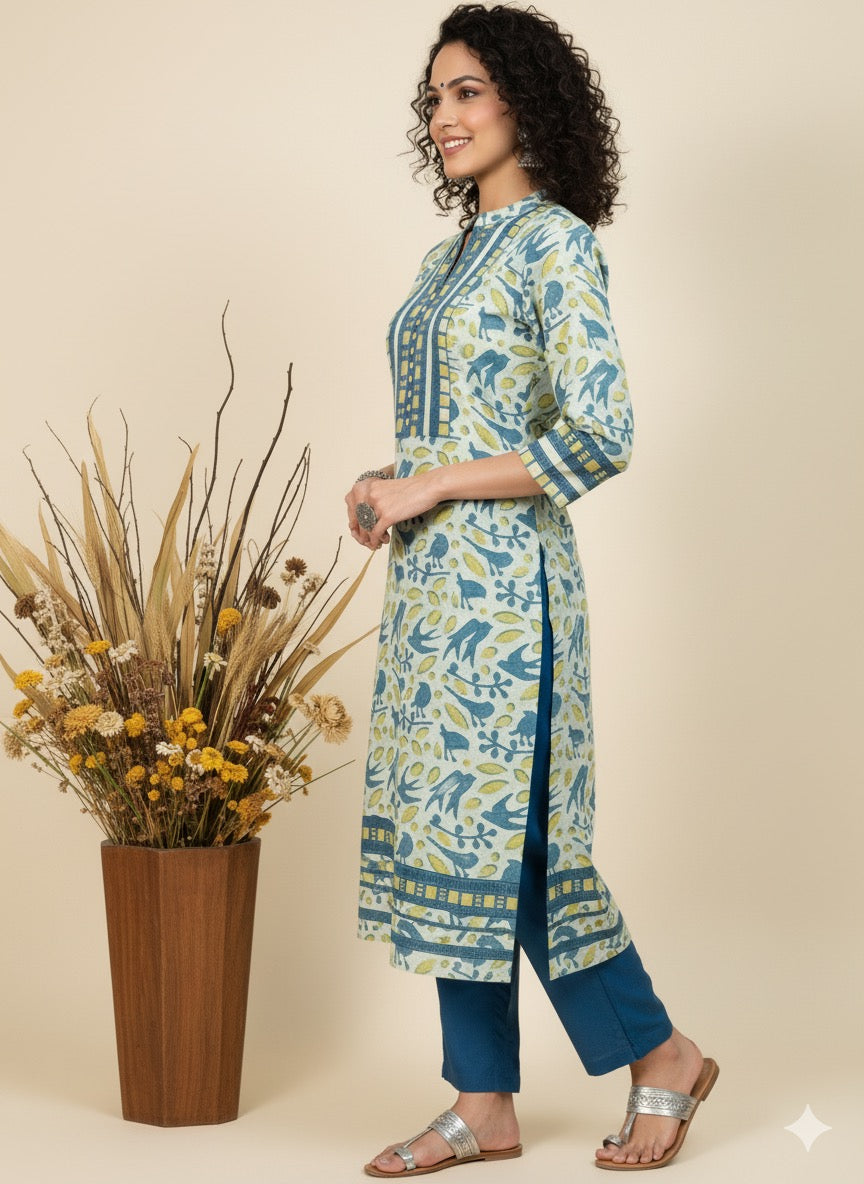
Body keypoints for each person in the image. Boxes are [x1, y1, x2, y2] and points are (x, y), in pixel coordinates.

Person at [345, 4, 717, 1175]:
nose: (444, 116)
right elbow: (458, 430)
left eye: (468, 91)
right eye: (435, 98)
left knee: (523, 844)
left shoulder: (556, 242)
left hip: (510, 597)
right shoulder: (446, 257)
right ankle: (483, 1100)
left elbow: (600, 433)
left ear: (526, 101)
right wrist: (391, 480)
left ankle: (661, 1050)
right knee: (455, 839)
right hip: (432, 597)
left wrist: (434, 484)